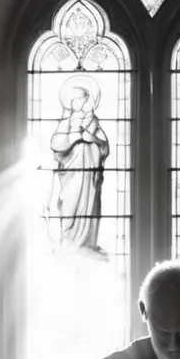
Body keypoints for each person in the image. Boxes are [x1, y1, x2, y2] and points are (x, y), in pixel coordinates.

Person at [49, 81, 110, 258]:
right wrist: (72, 138)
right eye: (75, 100)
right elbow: (56, 144)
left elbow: (104, 146)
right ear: (70, 102)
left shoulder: (92, 121)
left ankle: (86, 244)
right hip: (70, 174)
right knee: (69, 208)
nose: (79, 103)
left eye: (82, 99)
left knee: (88, 209)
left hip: (89, 174)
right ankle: (68, 244)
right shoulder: (65, 122)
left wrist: (91, 138)